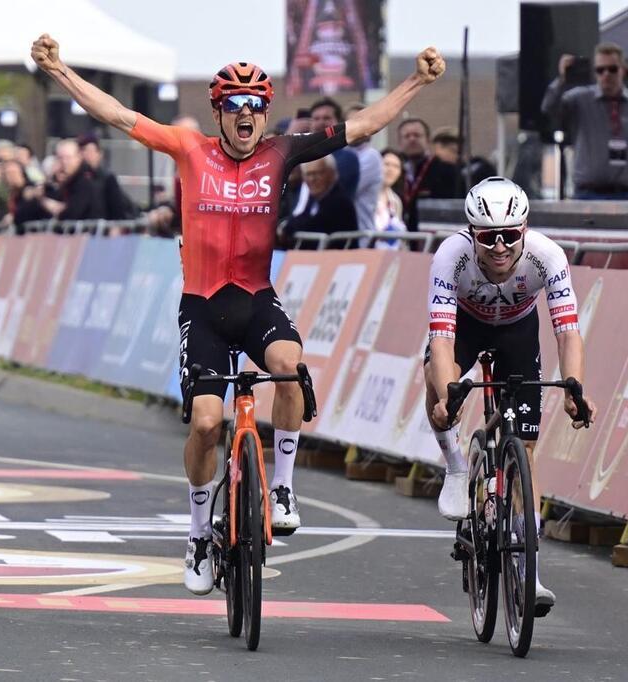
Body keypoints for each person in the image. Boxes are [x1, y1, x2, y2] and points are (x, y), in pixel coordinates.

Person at [32, 32, 445, 595]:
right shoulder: (188, 149)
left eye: (255, 105)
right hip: (201, 306)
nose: (246, 114)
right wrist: (59, 71)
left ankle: (282, 488)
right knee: (207, 423)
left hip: (255, 299)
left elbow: (364, 127)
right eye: (235, 105)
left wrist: (418, 81)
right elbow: (118, 115)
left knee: (292, 368)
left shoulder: (282, 152)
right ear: (219, 112)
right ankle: (200, 531)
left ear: (265, 113)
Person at [423, 176, 599, 614]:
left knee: (526, 448)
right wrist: (449, 397)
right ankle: (458, 466)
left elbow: (568, 331)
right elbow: (442, 340)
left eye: (509, 235)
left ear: (525, 230)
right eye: (488, 236)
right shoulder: (451, 256)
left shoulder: (546, 256)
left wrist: (574, 387)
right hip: (466, 327)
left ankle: (530, 572)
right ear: (471, 234)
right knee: (433, 381)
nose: (499, 246)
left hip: (519, 331)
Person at [541, 42, 628, 200]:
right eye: (600, 70)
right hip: (586, 194)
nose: (606, 74)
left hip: (627, 194)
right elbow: (549, 111)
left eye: (612, 69)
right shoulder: (578, 100)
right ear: (595, 73)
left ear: (623, 70)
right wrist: (561, 79)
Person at [397, 117, 461, 233]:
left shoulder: (445, 170)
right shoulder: (395, 171)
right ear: (400, 143)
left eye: (417, 135)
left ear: (427, 140)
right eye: (407, 136)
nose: (412, 139)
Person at [281, 156, 357, 247]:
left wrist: (288, 228)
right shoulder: (314, 200)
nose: (312, 179)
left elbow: (314, 226)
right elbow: (302, 218)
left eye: (317, 173)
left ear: (332, 174)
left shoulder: (340, 202)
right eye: (308, 174)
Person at [344, 102, 383, 234]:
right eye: (353, 122)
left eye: (363, 121)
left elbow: (344, 189)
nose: (358, 127)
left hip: (360, 235)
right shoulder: (339, 153)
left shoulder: (372, 156)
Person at [78, 134, 137, 220]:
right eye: (83, 151)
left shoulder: (107, 178)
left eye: (90, 151)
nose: (86, 155)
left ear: (99, 154)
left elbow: (117, 207)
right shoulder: (78, 179)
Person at [373, 148, 408, 249]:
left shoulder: (396, 200)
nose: (390, 169)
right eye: (386, 164)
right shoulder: (367, 195)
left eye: (396, 166)